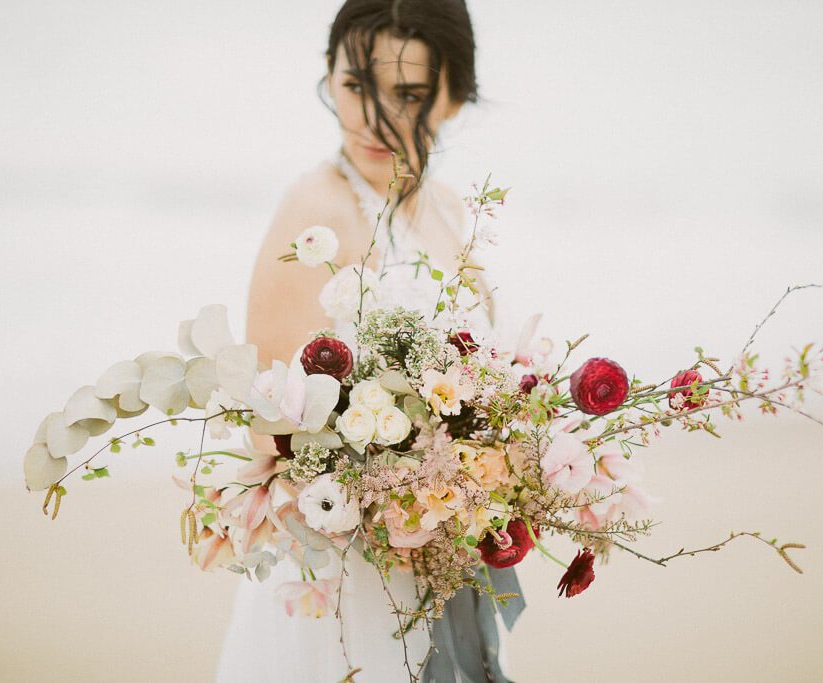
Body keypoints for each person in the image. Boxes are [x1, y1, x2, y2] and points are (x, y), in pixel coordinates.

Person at [217, 2, 508, 681]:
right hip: (343, 587)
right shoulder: (314, 211)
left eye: (407, 94)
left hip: (437, 567)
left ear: (455, 95)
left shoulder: (450, 207)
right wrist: (402, 497)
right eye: (355, 87)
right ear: (330, 73)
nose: (371, 120)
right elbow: (272, 432)